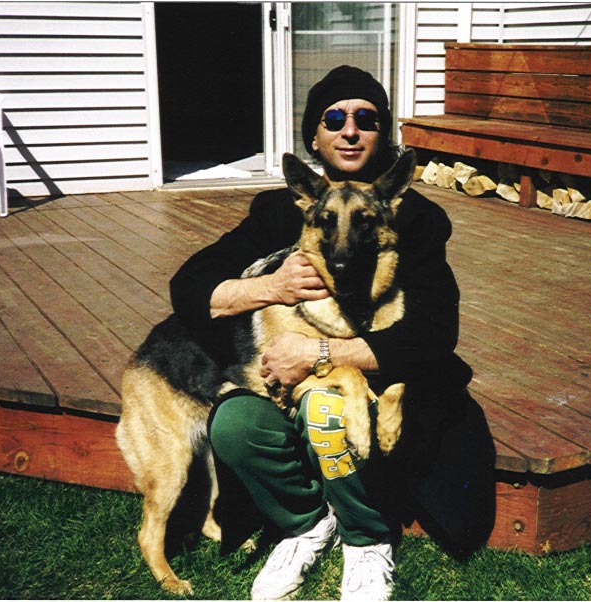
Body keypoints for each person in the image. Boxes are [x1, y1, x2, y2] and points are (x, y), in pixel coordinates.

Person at [169, 65, 495, 601]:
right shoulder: (279, 210)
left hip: (382, 386)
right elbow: (189, 286)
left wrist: (319, 352)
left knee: (327, 405)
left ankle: (367, 539)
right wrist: (270, 286)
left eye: (366, 119)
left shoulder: (415, 217)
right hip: (289, 384)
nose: (350, 131)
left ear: (383, 134)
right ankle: (304, 524)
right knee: (232, 422)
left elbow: (433, 334)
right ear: (314, 137)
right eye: (334, 119)